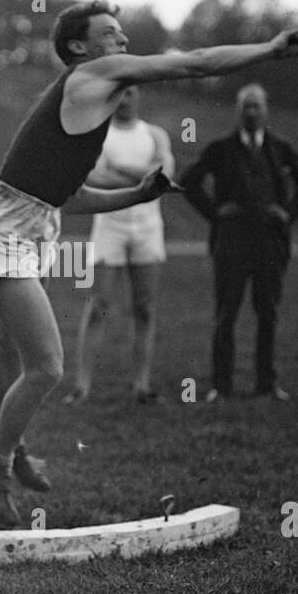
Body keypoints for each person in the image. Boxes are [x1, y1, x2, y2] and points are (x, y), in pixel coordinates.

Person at [0, 0, 298, 524]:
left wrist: (138, 193)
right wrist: (267, 49)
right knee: (47, 366)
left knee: (11, 350)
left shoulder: (86, 101)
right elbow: (193, 62)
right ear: (81, 47)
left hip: (26, 221)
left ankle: (7, 450)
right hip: (11, 228)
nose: (124, 41)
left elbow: (69, 195)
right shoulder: (94, 74)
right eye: (112, 33)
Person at [182, 82, 298, 403]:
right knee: (226, 313)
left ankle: (266, 384)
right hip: (232, 242)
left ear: (265, 111)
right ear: (237, 111)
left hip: (270, 242)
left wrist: (287, 214)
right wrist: (216, 213)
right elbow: (189, 181)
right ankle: (221, 385)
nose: (252, 112)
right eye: (246, 106)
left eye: (257, 106)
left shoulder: (280, 148)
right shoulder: (221, 149)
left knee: (267, 312)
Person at [63, 85, 174, 405]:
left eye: (130, 92)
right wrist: (143, 179)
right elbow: (94, 179)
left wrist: (121, 171)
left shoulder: (155, 135)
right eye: (119, 94)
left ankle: (141, 383)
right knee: (98, 304)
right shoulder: (100, 135)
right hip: (110, 225)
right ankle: (82, 385)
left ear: (138, 95)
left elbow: (166, 175)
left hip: (148, 227)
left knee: (144, 307)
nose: (125, 99)